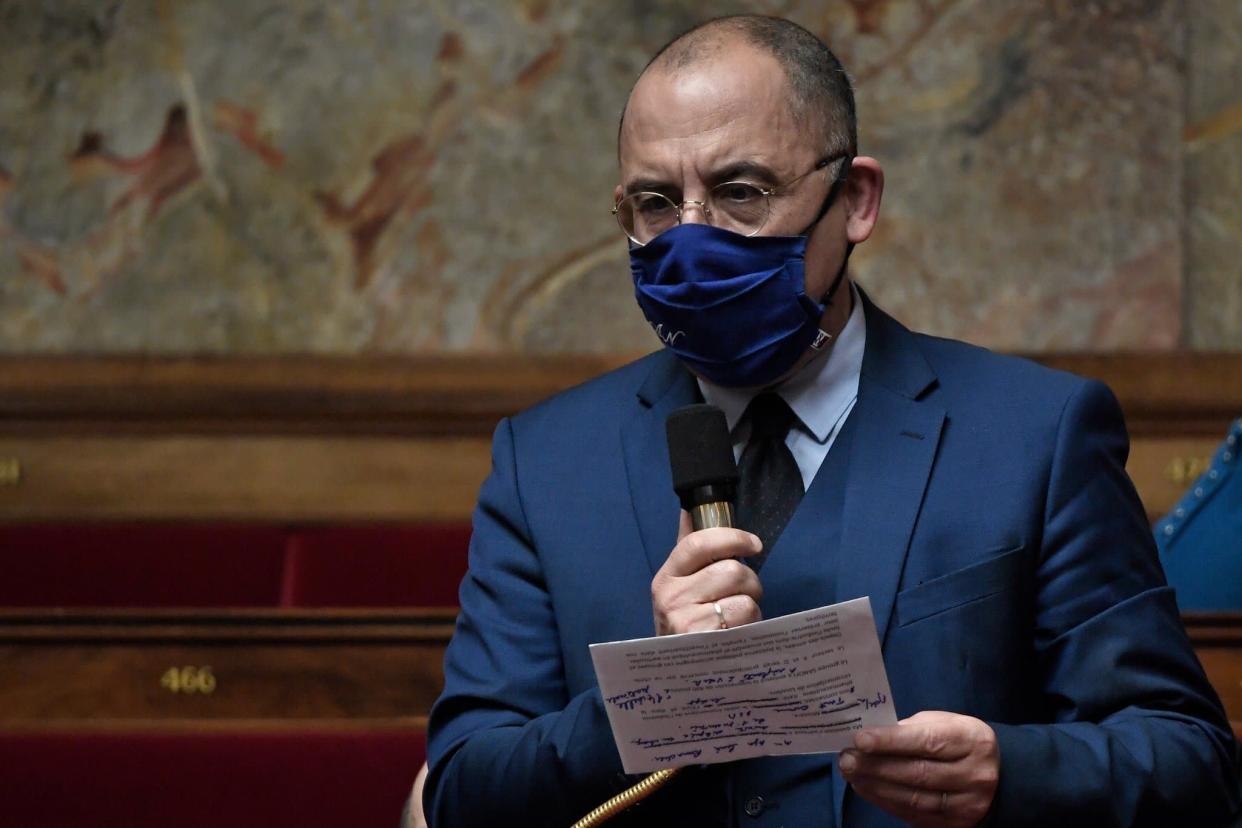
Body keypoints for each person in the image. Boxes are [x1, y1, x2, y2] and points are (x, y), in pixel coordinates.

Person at [424, 14, 1239, 827]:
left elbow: (1192, 765)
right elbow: (462, 792)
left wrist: (1013, 772)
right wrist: (649, 698)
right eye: (656, 203)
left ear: (854, 200)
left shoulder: (1036, 435)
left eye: (741, 193)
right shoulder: (545, 463)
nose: (692, 241)